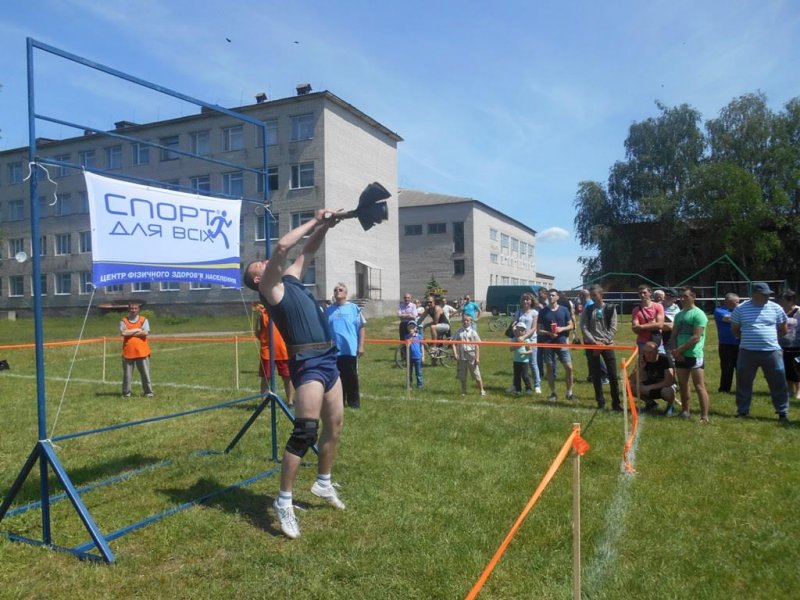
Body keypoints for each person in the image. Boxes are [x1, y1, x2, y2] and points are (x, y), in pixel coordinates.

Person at [243, 209, 345, 539]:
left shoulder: (291, 279)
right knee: (305, 433)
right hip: (308, 363)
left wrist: (326, 227)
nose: (262, 263)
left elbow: (307, 250)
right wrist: (315, 220)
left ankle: (323, 482)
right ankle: (283, 501)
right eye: (257, 266)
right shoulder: (270, 288)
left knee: (335, 425)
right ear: (257, 279)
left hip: (328, 358)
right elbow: (282, 247)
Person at [731, 282, 790, 422]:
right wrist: (750, 338)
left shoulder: (776, 308)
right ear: (754, 294)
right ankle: (743, 411)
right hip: (747, 351)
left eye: (768, 294)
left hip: (772, 351)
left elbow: (784, 328)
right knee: (744, 382)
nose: (767, 296)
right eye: (764, 294)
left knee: (778, 382)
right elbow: (735, 329)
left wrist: (770, 339)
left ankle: (782, 412)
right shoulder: (741, 309)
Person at [670, 286, 710, 422]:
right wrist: (675, 351)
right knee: (682, 384)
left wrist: (679, 350)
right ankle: (685, 411)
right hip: (680, 354)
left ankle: (704, 416)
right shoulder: (679, 315)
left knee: (699, 386)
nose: (682, 299)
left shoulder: (699, 314)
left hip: (694, 354)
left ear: (693, 297)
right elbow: (673, 335)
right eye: (681, 296)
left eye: (686, 296)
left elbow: (696, 337)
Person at [580, 285, 622, 411]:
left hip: (607, 345)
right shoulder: (588, 309)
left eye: (595, 295)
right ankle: (600, 401)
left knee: (612, 374)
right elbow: (584, 327)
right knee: (596, 374)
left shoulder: (610, 308)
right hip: (592, 345)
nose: (593, 297)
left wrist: (603, 342)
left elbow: (613, 327)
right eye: (591, 295)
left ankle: (616, 403)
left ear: (601, 295)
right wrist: (594, 342)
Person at [326, 283, 366, 409]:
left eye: (340, 289)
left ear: (346, 293)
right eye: (335, 290)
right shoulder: (328, 310)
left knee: (351, 377)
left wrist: (361, 345)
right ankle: (339, 402)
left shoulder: (354, 308)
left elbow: (361, 327)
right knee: (337, 378)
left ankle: (354, 403)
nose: (337, 291)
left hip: (350, 350)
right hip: (334, 351)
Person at [538, 289, 575, 402]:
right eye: (549, 295)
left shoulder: (564, 310)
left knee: (569, 367)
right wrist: (549, 333)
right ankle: (553, 393)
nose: (551, 297)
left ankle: (569, 393)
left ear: (557, 297)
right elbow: (539, 330)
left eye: (553, 295)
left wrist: (561, 329)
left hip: (561, 342)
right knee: (550, 368)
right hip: (548, 343)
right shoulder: (543, 311)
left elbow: (571, 325)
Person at [255, 303, 294, 407]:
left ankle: (290, 402)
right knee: (266, 377)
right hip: (267, 351)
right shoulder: (262, 314)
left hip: (282, 351)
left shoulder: (283, 312)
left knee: (287, 376)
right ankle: (264, 402)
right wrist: (258, 319)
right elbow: (257, 333)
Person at [506, 293, 541, 394]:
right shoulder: (518, 312)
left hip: (531, 340)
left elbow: (534, 328)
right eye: (523, 299)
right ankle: (515, 385)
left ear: (531, 301)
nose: (525, 301)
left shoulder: (534, 313)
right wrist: (516, 334)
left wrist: (524, 337)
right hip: (519, 340)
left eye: (527, 299)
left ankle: (537, 385)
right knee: (518, 364)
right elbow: (514, 325)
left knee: (533, 363)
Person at [120, 301, 154, 398]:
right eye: (132, 308)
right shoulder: (124, 320)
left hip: (142, 352)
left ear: (138, 309)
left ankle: (148, 392)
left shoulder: (144, 320)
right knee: (127, 375)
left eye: (135, 308)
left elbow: (145, 333)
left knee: (145, 374)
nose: (133, 310)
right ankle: (126, 393)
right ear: (129, 309)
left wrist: (129, 332)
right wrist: (138, 329)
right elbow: (123, 333)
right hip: (128, 352)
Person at [632, 341, 677, 414]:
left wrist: (649, 387)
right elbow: (632, 380)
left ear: (657, 352)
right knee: (631, 387)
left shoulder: (665, 359)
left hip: (664, 387)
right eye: (645, 352)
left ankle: (670, 406)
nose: (647, 355)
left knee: (667, 392)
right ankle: (651, 404)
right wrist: (641, 368)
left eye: (650, 352)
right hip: (650, 386)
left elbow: (669, 381)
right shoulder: (643, 359)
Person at [713, 293, 740, 394]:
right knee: (726, 368)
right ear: (728, 301)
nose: (738, 304)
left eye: (739, 302)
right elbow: (728, 319)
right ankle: (724, 389)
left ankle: (741, 389)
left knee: (741, 368)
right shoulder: (719, 310)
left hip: (740, 343)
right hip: (726, 344)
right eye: (736, 302)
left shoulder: (739, 310)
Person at [453, 315, 486, 396]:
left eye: (467, 320)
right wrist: (455, 353)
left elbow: (477, 345)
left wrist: (477, 357)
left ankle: (482, 390)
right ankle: (464, 391)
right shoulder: (459, 331)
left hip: (471, 355)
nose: (465, 322)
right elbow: (453, 342)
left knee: (476, 373)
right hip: (462, 355)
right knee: (462, 374)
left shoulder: (473, 332)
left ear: (471, 322)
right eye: (464, 320)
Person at [778, 290, 800, 400]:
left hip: (797, 346)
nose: (781, 302)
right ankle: (790, 390)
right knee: (786, 369)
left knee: (796, 369)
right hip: (781, 345)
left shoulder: (799, 311)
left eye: (783, 300)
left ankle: (798, 391)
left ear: (791, 300)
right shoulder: (780, 311)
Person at [631, 284, 665, 354]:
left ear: (650, 293)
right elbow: (636, 329)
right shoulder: (636, 310)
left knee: (659, 360)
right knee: (643, 360)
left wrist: (641, 326)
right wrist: (652, 324)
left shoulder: (658, 306)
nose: (642, 295)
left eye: (644, 293)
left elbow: (660, 325)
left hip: (656, 341)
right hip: (642, 342)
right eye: (640, 293)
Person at [509, 322, 533, 395]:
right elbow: (511, 349)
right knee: (517, 376)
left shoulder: (527, 340)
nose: (519, 332)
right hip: (516, 360)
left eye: (521, 330)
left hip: (524, 361)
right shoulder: (514, 340)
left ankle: (528, 388)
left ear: (525, 332)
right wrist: (517, 345)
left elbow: (530, 350)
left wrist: (524, 353)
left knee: (525, 376)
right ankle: (518, 390)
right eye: (518, 330)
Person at [405, 321, 424, 388]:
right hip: (409, 357)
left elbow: (422, 346)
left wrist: (423, 356)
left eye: (413, 327)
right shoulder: (406, 337)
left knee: (418, 372)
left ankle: (420, 385)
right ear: (408, 328)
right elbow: (407, 346)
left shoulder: (419, 336)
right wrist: (410, 338)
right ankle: (409, 384)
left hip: (418, 357)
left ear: (416, 328)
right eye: (410, 327)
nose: (411, 328)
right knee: (409, 372)